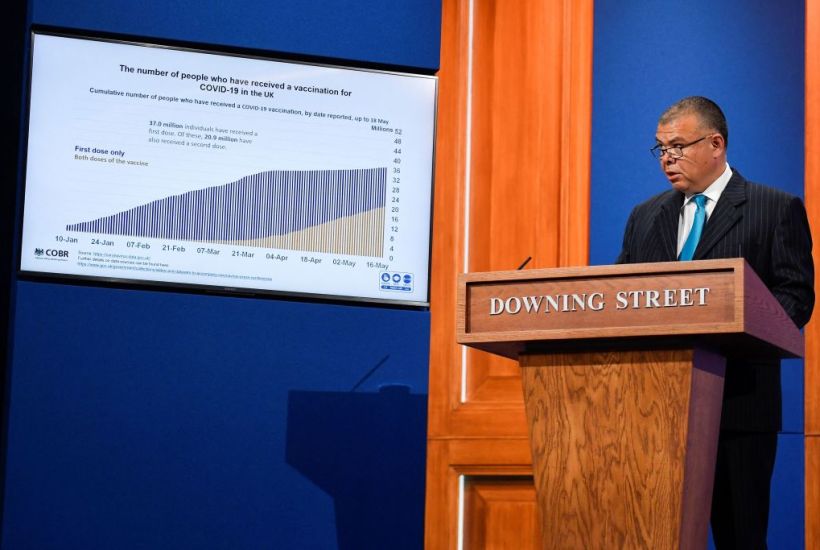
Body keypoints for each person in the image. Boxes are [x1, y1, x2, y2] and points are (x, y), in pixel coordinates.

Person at [617, 96, 814, 548]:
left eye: (678, 146)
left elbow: (796, 298)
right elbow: (623, 296)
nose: (667, 159)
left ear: (716, 144)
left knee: (739, 538)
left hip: (738, 405)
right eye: (661, 148)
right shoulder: (645, 217)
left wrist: (733, 329)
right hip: (653, 410)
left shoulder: (773, 208)